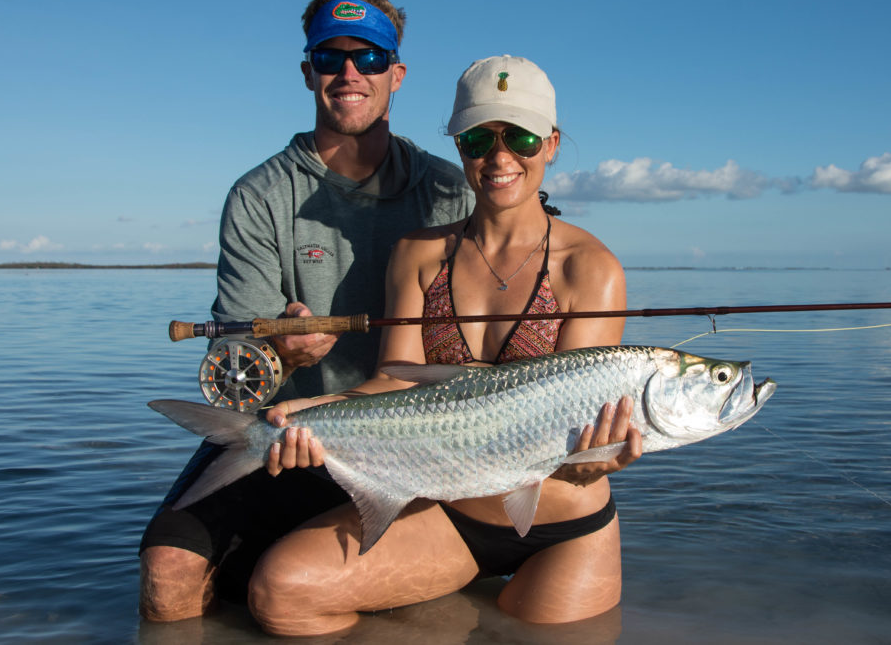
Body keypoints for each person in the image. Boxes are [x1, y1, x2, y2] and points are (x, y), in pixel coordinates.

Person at [246, 55, 642, 637]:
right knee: (280, 593)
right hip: (447, 514)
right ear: (459, 146)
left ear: (552, 145)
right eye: (480, 138)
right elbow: (393, 381)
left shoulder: (591, 268)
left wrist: (598, 461)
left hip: (565, 524)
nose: (500, 158)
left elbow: (584, 432)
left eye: (523, 138)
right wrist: (310, 417)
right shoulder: (417, 253)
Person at [138, 0, 476, 621]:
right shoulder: (257, 196)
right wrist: (285, 360)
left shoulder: (447, 191)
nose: (350, 73)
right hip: (282, 432)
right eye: (330, 57)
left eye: (369, 58)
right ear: (307, 72)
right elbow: (236, 381)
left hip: (419, 440)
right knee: (166, 574)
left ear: (396, 74)